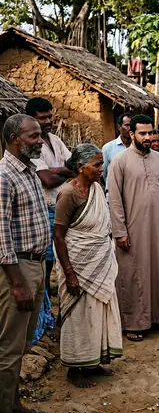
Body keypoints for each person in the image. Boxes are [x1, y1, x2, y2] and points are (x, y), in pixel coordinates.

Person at [0, 114, 53, 413]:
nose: (40, 141)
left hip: (34, 266)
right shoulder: (4, 176)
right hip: (15, 271)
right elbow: (0, 234)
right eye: (34, 137)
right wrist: (17, 283)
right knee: (8, 349)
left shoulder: (29, 170)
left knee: (20, 346)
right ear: (14, 138)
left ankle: (15, 407)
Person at [53, 144, 123, 389]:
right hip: (78, 266)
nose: (100, 169)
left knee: (99, 311)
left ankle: (94, 361)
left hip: (99, 261)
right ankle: (75, 368)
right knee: (78, 315)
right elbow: (59, 236)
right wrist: (70, 274)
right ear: (81, 167)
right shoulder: (68, 195)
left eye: (101, 164)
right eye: (96, 165)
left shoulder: (96, 188)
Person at [108, 115, 159, 342]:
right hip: (132, 229)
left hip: (157, 227)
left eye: (150, 133)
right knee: (132, 274)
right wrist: (119, 231)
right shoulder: (119, 162)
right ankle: (133, 323)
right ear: (132, 134)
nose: (148, 137)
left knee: (158, 270)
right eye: (143, 133)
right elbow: (115, 200)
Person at [26, 98, 73, 344]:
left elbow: (74, 164)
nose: (48, 122)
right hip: (44, 213)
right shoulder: (32, 148)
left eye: (49, 117)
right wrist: (63, 171)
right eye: (42, 118)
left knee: (65, 265)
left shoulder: (55, 141)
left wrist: (60, 171)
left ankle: (62, 315)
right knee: (43, 269)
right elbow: (48, 180)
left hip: (63, 212)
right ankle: (44, 320)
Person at [102, 113, 132, 183]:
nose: (130, 128)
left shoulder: (138, 148)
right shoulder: (108, 148)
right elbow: (103, 173)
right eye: (127, 125)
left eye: (131, 126)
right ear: (119, 127)